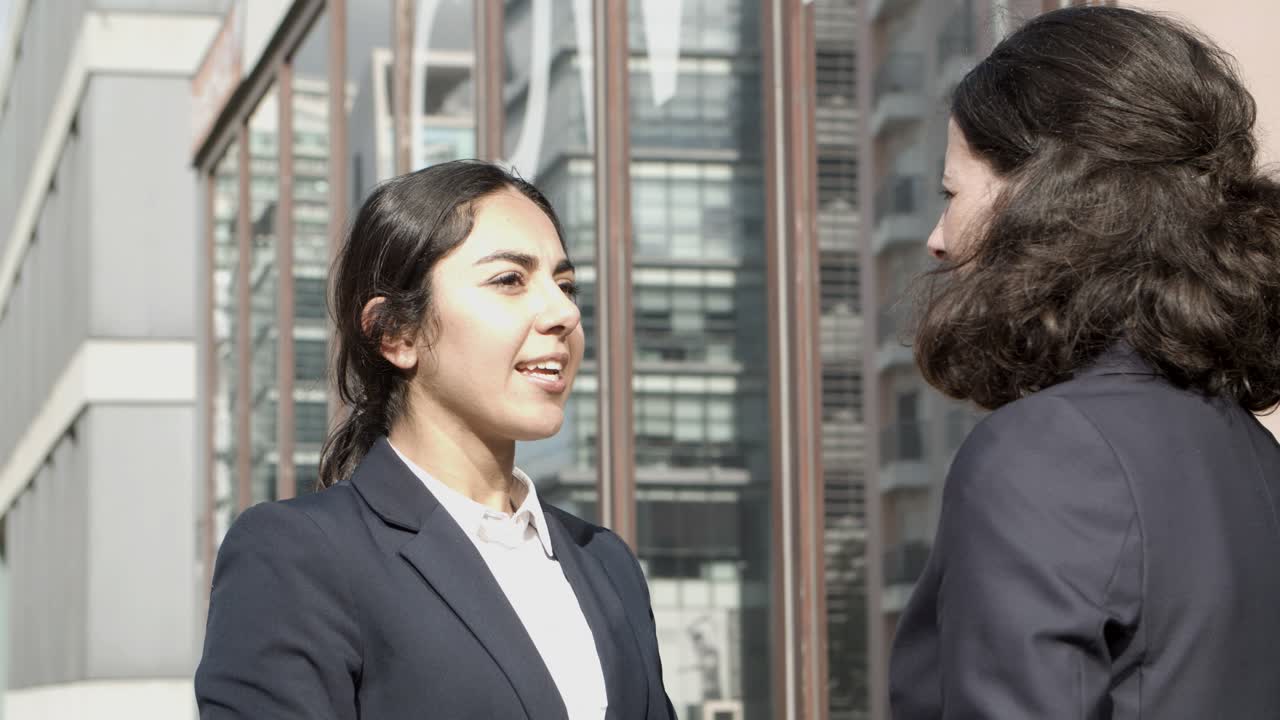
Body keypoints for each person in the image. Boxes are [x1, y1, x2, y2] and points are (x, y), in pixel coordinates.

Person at [890, 7, 1280, 718]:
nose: (936, 239)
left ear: (1046, 196)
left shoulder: (1047, 451)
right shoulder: (1253, 455)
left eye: (952, 193)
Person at [195, 160, 677, 719]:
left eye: (565, 285)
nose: (563, 312)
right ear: (394, 332)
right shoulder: (299, 555)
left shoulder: (606, 563)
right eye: (509, 280)